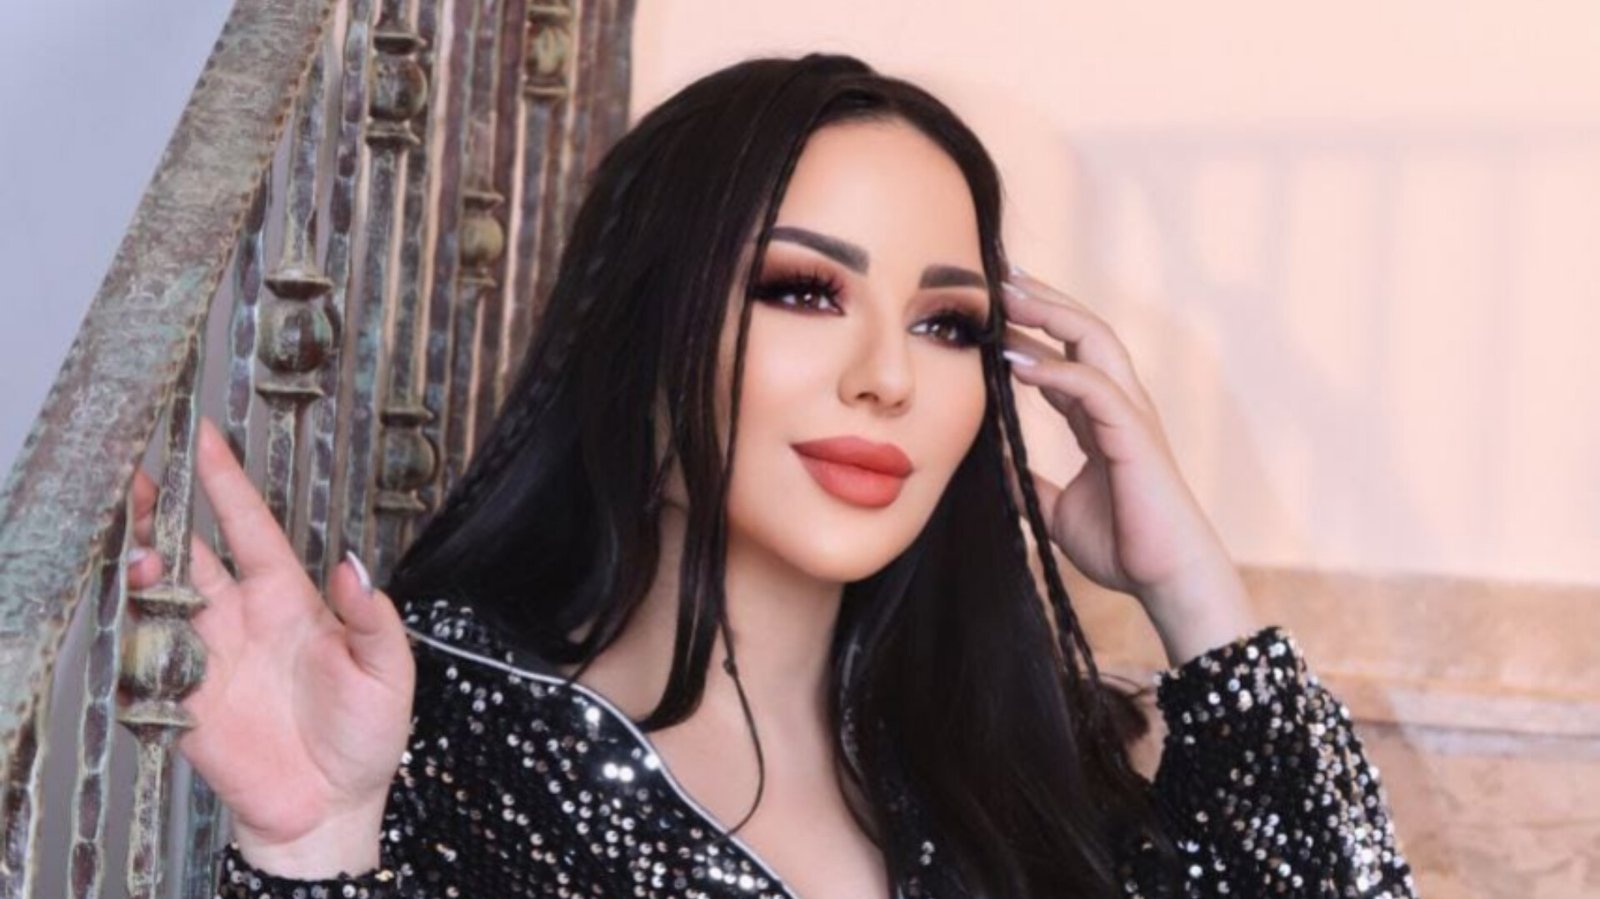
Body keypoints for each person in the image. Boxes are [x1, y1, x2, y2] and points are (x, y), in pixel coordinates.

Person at [122, 53, 1418, 898]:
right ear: (641, 331)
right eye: (804, 290)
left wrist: (1193, 592)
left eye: (947, 323)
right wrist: (311, 851)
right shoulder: (438, 729)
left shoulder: (1020, 764)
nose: (887, 377)